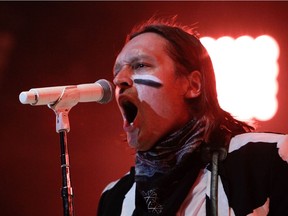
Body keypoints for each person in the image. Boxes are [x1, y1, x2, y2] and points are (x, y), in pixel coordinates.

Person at [97, 17, 288, 216]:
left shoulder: (269, 159)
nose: (119, 80)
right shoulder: (114, 198)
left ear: (193, 85)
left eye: (140, 65)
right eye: (117, 71)